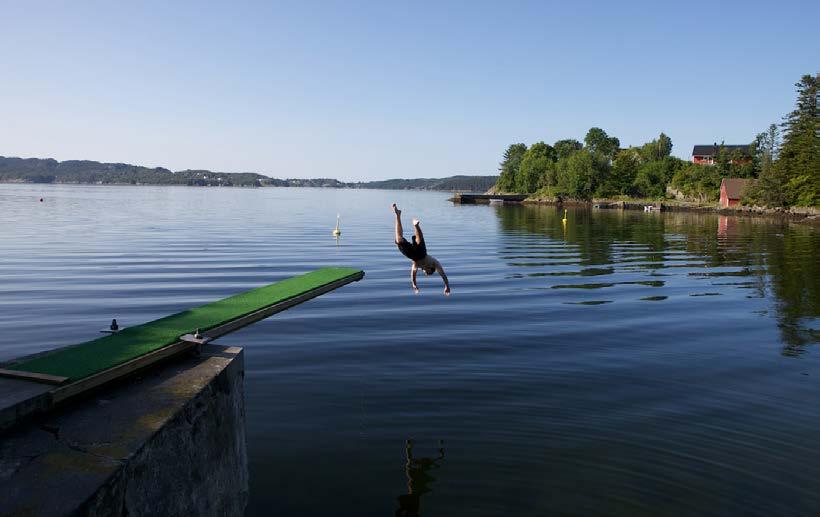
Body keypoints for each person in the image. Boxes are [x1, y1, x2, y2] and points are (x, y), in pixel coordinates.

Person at [392, 203, 450, 295]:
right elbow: (443, 275)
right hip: (422, 253)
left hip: (412, 255)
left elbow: (413, 275)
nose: (423, 271)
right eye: (426, 272)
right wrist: (447, 286)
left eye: (424, 272)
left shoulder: (417, 266)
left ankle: (398, 215)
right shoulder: (434, 263)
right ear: (431, 269)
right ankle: (416, 226)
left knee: (399, 240)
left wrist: (414, 284)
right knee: (419, 240)